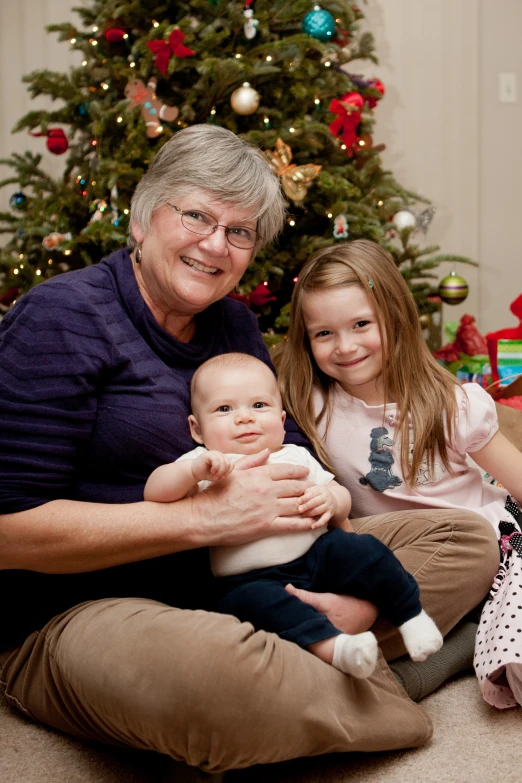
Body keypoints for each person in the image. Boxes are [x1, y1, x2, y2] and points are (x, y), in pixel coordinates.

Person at [0, 126, 498, 778]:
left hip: (257, 572)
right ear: (144, 219)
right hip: (85, 610)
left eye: (240, 232)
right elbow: (9, 531)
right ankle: (401, 687)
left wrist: (342, 531)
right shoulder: (60, 317)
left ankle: (339, 641)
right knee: (221, 681)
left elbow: (287, 447)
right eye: (198, 216)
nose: (216, 244)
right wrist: (203, 519)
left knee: (467, 539)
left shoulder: (231, 324)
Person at [274, 238, 522, 710]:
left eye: (361, 324)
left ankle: (454, 642)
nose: (345, 346)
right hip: (385, 548)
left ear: (395, 317)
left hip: (475, 555)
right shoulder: (308, 402)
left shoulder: (452, 404)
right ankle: (447, 641)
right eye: (323, 333)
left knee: (496, 607)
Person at [145, 352, 443, 679]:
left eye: (259, 406)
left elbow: (341, 497)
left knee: (366, 551)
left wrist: (330, 500)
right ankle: (336, 649)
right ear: (197, 428)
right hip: (252, 579)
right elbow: (155, 493)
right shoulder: (206, 461)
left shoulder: (294, 454)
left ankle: (411, 617)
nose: (245, 418)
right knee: (251, 606)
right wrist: (190, 472)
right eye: (224, 409)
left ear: (282, 420)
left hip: (318, 555)